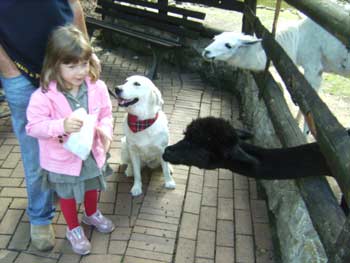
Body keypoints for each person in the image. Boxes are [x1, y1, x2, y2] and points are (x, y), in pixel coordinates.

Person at [0, 1, 91, 250]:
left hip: (67, 66)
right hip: (19, 72)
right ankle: (40, 217)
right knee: (34, 151)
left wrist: (87, 54)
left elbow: (73, 4)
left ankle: (58, 190)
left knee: (67, 136)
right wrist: (8, 71)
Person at [26, 25, 115, 255]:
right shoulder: (44, 96)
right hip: (63, 158)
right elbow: (33, 127)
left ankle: (91, 213)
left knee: (92, 186)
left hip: (92, 153)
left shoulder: (97, 87)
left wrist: (105, 134)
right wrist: (61, 126)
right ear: (55, 64)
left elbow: (106, 114)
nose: (80, 71)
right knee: (66, 194)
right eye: (71, 65)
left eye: (84, 64)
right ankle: (73, 228)